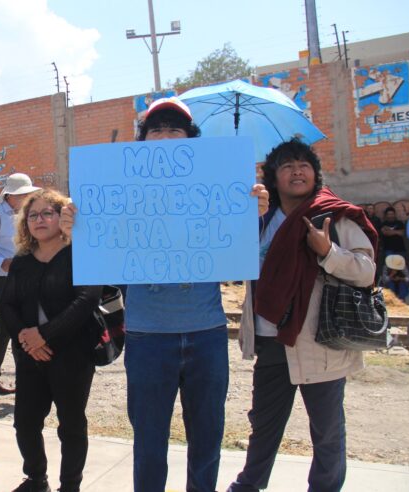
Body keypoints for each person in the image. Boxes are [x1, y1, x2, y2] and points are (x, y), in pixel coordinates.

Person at [60, 96, 269, 492]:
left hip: (206, 333)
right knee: (149, 442)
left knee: (207, 438)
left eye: (176, 128)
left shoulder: (218, 186)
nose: (166, 136)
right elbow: (100, 260)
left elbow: (239, 259)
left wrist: (251, 215)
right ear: (144, 141)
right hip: (147, 336)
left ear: (191, 139)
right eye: (157, 129)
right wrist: (77, 229)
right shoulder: (119, 190)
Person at [227, 139, 377, 492]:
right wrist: (244, 219)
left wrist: (329, 253)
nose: (297, 170)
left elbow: (367, 271)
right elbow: (235, 267)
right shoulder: (261, 220)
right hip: (270, 338)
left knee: (326, 430)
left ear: (315, 173)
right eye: (286, 166)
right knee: (264, 424)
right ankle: (247, 486)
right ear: (274, 178)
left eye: (303, 164)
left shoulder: (334, 215)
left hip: (319, 342)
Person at [0, 189, 101, 492]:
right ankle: (36, 478)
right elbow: (7, 305)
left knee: (70, 425)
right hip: (31, 357)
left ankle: (70, 485)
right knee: (25, 423)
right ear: (25, 223)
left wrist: (44, 336)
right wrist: (28, 340)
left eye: (48, 213)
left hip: (72, 356)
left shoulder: (81, 253)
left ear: (62, 217)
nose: (40, 219)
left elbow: (86, 301)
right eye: (33, 215)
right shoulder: (21, 262)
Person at [0, 173, 41, 395]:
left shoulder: (26, 215)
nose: (28, 197)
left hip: (19, 278)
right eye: (24, 194)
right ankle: (10, 380)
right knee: (11, 326)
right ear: (10, 195)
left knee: (7, 328)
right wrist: (1, 263)